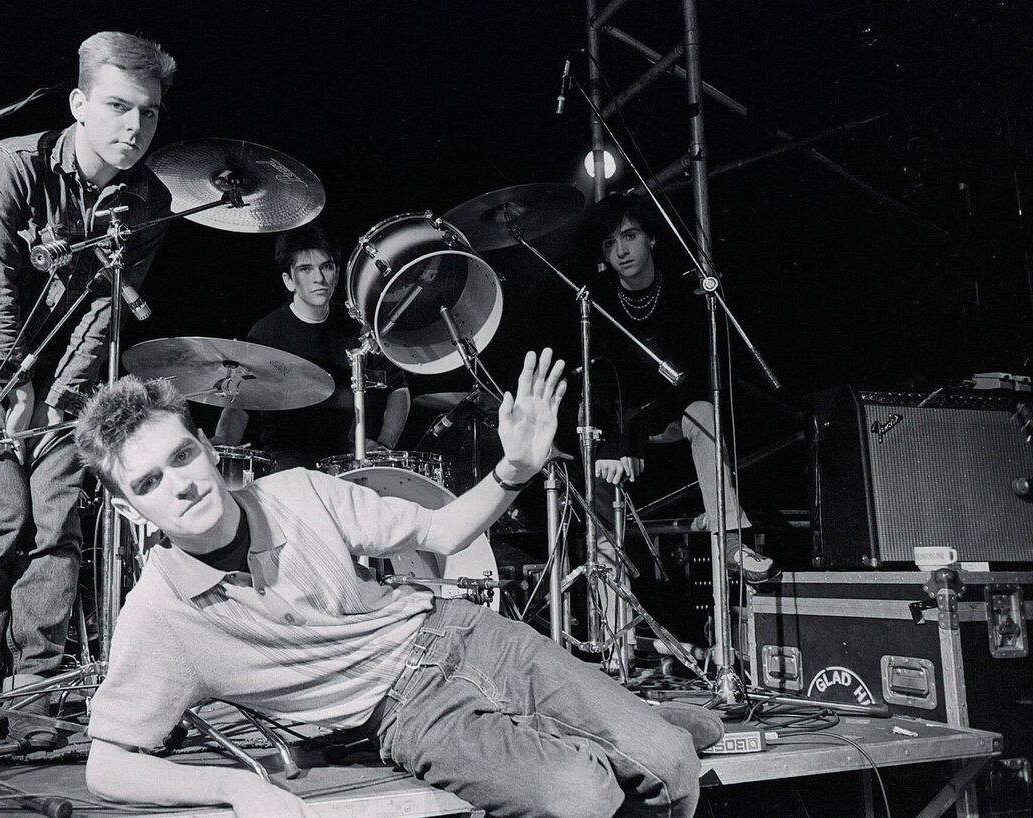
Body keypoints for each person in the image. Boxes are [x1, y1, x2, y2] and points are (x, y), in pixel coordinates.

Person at [75, 350, 721, 817]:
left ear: (210, 449)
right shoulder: (159, 613)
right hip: (402, 713)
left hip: (458, 632)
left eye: (182, 455)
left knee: (669, 762)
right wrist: (238, 788)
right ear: (132, 510)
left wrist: (515, 468)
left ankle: (628, 732)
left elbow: (441, 534)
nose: (180, 484)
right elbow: (107, 766)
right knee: (581, 796)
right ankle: (605, 731)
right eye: (149, 482)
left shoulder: (296, 493)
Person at [0, 31, 176, 749]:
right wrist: (12, 384)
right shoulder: (7, 165)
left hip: (65, 370)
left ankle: (37, 699)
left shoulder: (150, 200)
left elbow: (107, 304)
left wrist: (62, 397)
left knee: (57, 525)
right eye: (117, 106)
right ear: (80, 104)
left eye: (148, 113)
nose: (133, 127)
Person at [581, 192, 776, 649]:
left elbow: (692, 384)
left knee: (704, 412)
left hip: (667, 419)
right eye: (610, 244)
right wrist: (616, 438)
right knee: (586, 435)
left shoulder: (687, 295)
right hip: (623, 424)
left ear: (651, 237)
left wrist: (635, 435)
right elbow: (600, 385)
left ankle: (730, 542)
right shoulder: (602, 307)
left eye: (629, 236)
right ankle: (614, 625)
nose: (622, 251)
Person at [213, 223, 410, 469]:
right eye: (306, 269)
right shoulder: (265, 333)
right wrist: (222, 441)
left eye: (326, 267)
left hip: (348, 460)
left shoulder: (358, 328)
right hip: (286, 461)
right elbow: (239, 405)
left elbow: (398, 390)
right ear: (288, 281)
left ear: (337, 274)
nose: (319, 278)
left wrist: (384, 446)